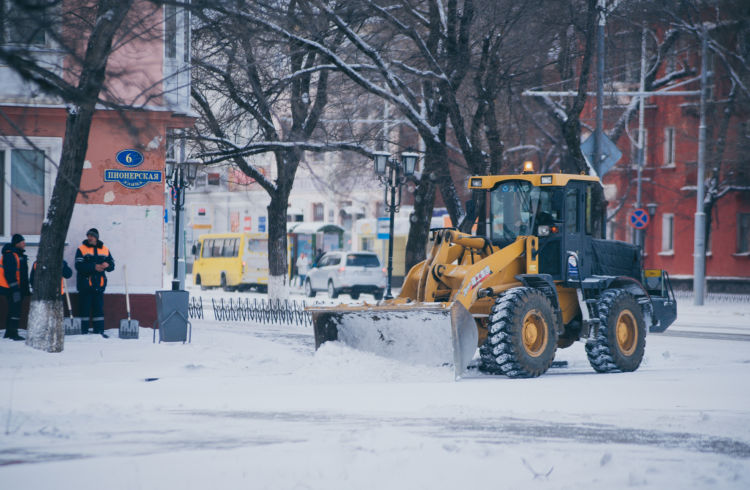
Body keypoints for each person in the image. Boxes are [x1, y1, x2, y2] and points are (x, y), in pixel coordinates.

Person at [75, 228, 115, 337]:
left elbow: (112, 265)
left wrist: (108, 265)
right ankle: (83, 331)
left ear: (96, 237)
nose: (89, 238)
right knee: (85, 309)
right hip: (85, 285)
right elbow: (78, 266)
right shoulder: (82, 249)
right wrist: (94, 267)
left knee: (98, 309)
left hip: (99, 285)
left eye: (91, 236)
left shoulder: (105, 249)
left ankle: (99, 331)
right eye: (88, 236)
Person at [1, 234, 30, 341]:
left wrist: (25, 289)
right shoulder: (10, 255)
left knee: (14, 309)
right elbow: (9, 274)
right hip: (12, 289)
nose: (24, 244)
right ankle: (13, 332)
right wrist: (15, 289)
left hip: (18, 288)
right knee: (15, 310)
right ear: (17, 243)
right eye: (22, 242)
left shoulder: (19, 255)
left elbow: (22, 274)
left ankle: (9, 332)